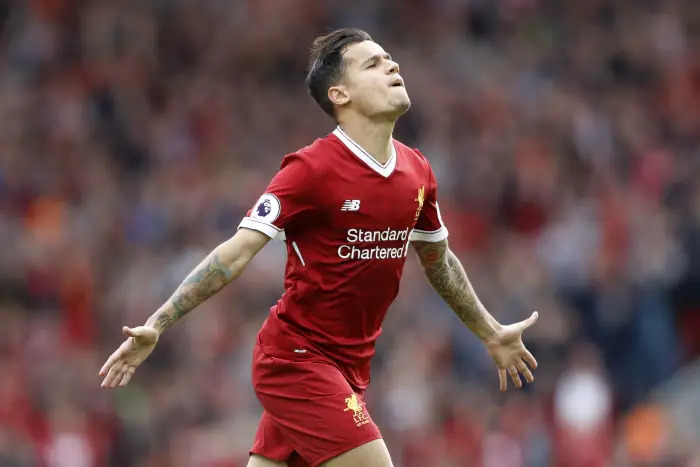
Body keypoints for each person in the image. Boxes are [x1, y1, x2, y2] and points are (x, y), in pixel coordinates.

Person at [98, 28, 540, 467]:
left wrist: (489, 331)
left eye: (390, 58)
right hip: (295, 360)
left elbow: (438, 261)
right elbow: (234, 254)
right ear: (340, 95)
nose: (393, 65)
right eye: (373, 63)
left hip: (350, 369)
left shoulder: (417, 171)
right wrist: (159, 322)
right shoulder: (310, 169)